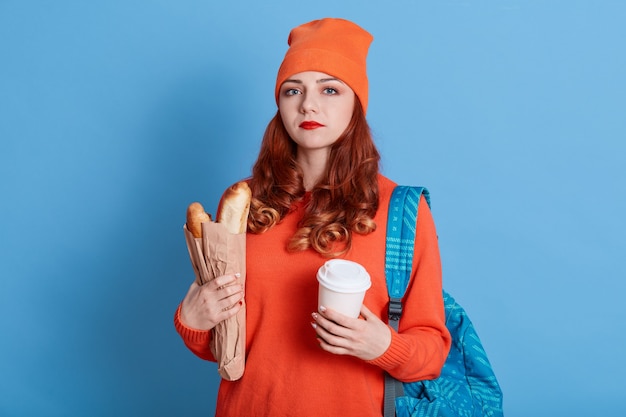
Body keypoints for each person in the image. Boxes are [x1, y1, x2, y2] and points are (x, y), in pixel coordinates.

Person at [174, 17, 451, 417]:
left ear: (356, 102)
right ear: (280, 104)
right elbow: (222, 345)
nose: (308, 104)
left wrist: (385, 347)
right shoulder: (242, 203)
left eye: (330, 89)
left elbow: (432, 350)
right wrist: (192, 319)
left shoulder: (401, 210)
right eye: (293, 90)